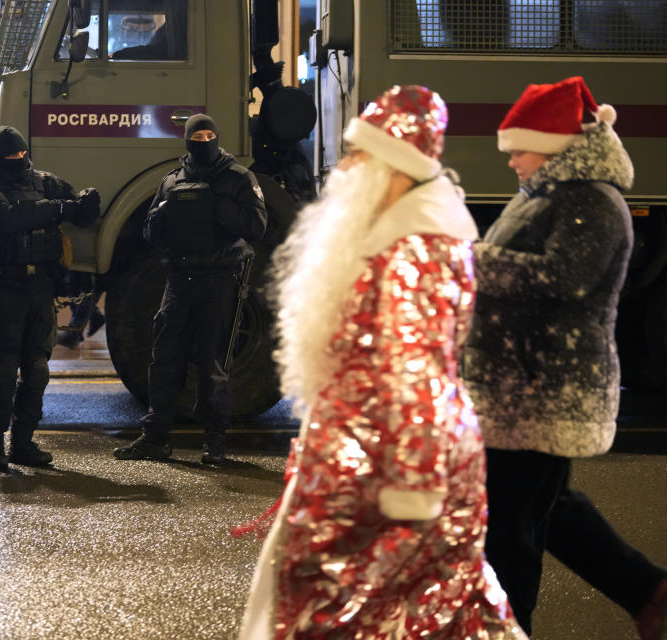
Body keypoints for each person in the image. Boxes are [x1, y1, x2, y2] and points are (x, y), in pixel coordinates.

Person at [235, 86, 526, 639]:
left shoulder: (409, 247)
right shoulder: (405, 231)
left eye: (356, 155)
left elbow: (416, 372)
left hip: (389, 475)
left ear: (391, 164)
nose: (344, 168)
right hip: (374, 460)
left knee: (371, 615)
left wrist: (411, 491)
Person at [462, 76, 667, 639]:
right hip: (520, 387)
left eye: (519, 150)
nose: (511, 162)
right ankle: (647, 590)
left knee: (511, 529)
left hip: (544, 390)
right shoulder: (549, 197)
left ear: (555, 147)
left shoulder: (592, 201)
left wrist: (472, 262)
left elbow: (564, 278)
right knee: (544, 510)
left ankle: (508, 628)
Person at [112, 113, 267, 465]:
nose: (204, 142)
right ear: (186, 140)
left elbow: (256, 226)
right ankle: (155, 437)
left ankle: (214, 443)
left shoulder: (238, 178)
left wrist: (217, 206)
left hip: (219, 281)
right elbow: (151, 234)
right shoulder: (171, 180)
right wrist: (166, 214)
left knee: (213, 362)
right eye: (197, 137)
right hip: (180, 281)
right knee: (165, 359)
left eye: (210, 135)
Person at [0, 125, 100, 472]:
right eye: (10, 154)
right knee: (3, 374)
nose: (17, 159)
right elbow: (8, 218)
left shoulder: (45, 182)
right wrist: (60, 210)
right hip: (5, 290)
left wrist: (86, 204)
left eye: (21, 153)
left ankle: (22, 443)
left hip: (40, 289)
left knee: (38, 371)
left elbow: (80, 212)